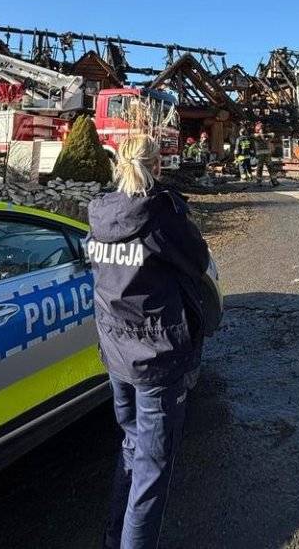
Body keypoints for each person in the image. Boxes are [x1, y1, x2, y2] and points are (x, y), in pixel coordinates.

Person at [88, 135, 210, 549]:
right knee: (152, 470)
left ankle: (113, 538)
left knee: (131, 446)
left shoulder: (100, 212)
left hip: (116, 352)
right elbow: (196, 262)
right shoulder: (160, 215)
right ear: (158, 166)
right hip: (157, 356)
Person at [253, 122, 280, 187]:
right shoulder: (256, 136)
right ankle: (258, 182)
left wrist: (263, 135)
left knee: (270, 167)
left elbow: (272, 135)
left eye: (262, 129)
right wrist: (262, 135)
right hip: (260, 154)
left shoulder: (267, 135)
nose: (262, 130)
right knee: (260, 168)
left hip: (267, 154)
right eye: (260, 129)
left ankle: (274, 181)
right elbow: (256, 136)